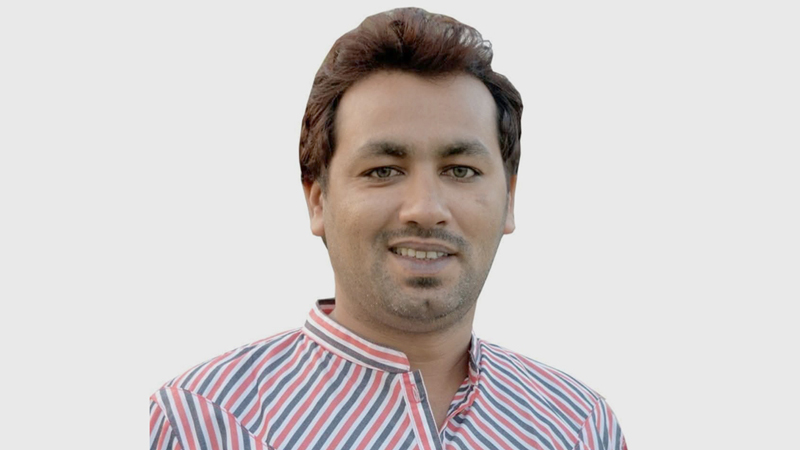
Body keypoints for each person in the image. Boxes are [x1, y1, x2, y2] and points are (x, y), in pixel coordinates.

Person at [150, 7, 627, 450]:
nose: (425, 209)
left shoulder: (578, 427)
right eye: (383, 170)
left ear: (510, 199)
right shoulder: (201, 425)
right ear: (317, 199)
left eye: (461, 170)